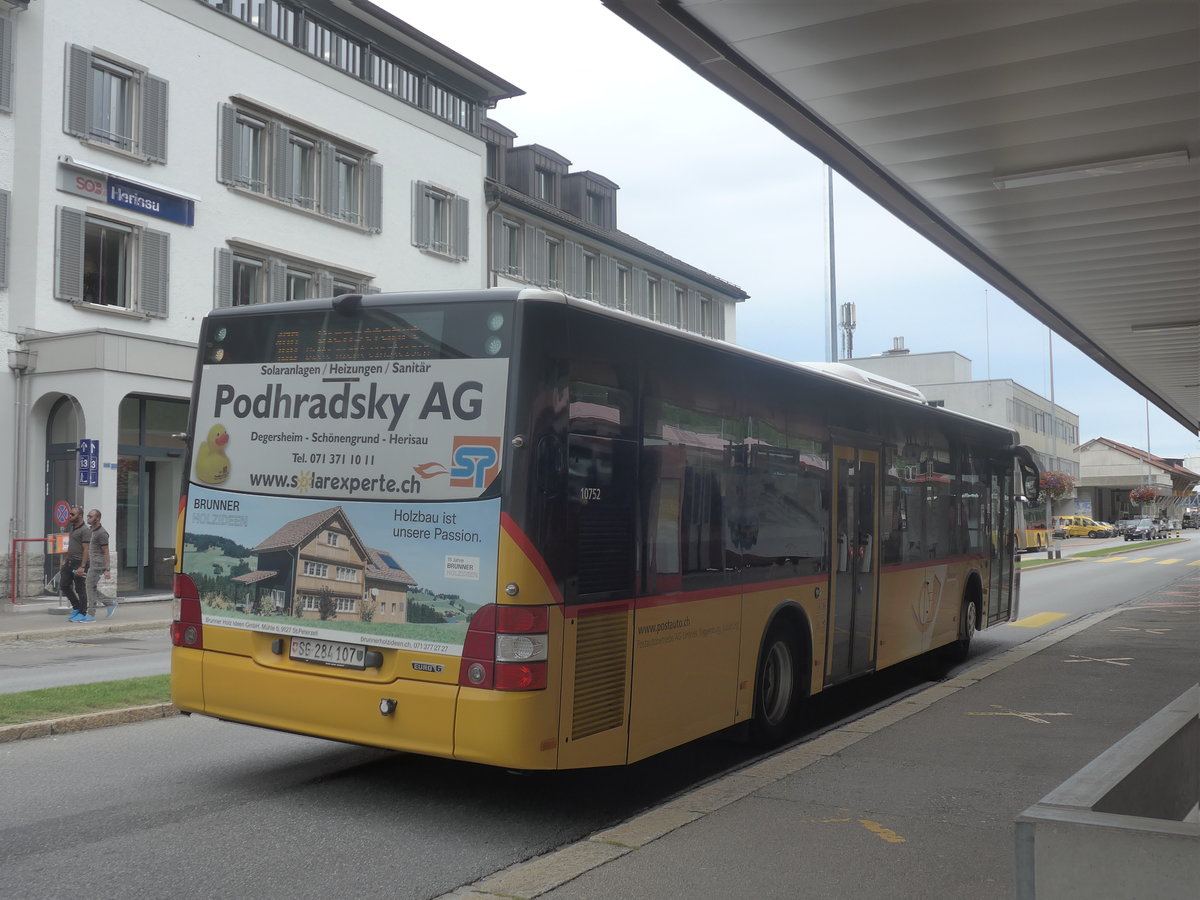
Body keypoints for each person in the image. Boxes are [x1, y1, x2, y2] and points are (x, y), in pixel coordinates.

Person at [83, 509, 116, 619]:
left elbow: (106, 551)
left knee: (89, 586)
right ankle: (109, 603)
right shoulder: (91, 531)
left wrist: (107, 569)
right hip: (93, 564)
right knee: (90, 587)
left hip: (98, 565)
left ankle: (91, 613)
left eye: (91, 516)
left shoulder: (102, 533)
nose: (88, 518)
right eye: (88, 516)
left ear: (98, 518)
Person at [60, 505, 90, 622]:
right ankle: (76, 607)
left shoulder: (85, 531)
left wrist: (82, 566)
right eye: (70, 514)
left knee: (80, 588)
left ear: (80, 516)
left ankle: (83, 613)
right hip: (70, 561)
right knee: (64, 585)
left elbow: (86, 549)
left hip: (79, 562)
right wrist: (65, 560)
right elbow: (72, 546)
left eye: (72, 514)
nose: (70, 516)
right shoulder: (73, 527)